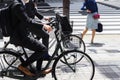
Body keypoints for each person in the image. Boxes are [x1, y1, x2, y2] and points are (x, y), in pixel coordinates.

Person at [10, 0, 52, 76]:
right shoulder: (18, 6)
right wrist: (43, 25)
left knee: (41, 47)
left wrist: (42, 21)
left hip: (22, 33)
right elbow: (27, 20)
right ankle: (23, 66)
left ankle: (38, 70)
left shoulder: (19, 3)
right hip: (20, 36)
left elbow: (29, 17)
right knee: (42, 49)